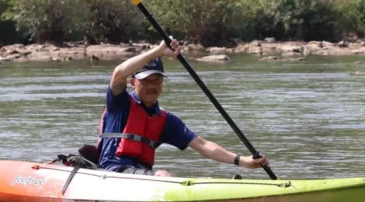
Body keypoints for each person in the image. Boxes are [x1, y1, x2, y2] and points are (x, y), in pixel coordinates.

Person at [98, 38, 270, 177]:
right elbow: (118, 73)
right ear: (133, 82)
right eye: (146, 81)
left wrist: (244, 161)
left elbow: (203, 145)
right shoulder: (120, 103)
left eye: (157, 80)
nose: (152, 86)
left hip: (141, 176)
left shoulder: (166, 120)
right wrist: (158, 51)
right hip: (112, 172)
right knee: (164, 176)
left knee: (205, 178)